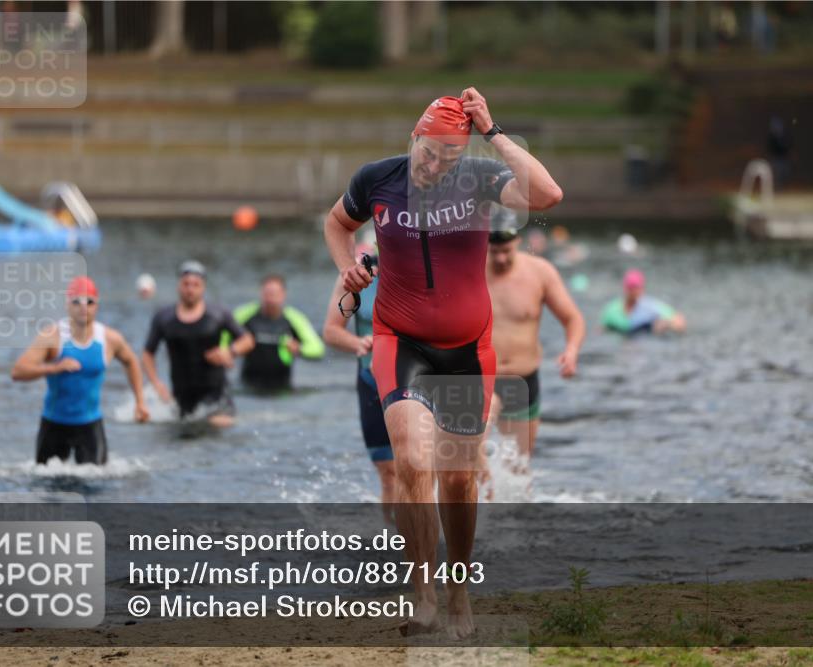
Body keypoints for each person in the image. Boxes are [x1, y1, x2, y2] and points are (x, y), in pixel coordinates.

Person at [324, 89, 563, 638]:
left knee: (457, 480)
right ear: (415, 136)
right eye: (429, 152)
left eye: (447, 157)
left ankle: (459, 595)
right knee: (410, 460)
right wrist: (349, 268)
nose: (434, 165)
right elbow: (337, 225)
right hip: (399, 340)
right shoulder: (376, 179)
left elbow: (548, 194)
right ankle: (423, 596)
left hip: (465, 352)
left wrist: (492, 131)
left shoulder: (478, 177)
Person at [11, 276, 149, 464]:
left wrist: (140, 401)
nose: (83, 306)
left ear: (96, 306)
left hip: (90, 425)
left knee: (96, 484)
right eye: (77, 301)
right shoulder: (52, 336)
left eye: (89, 302)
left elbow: (131, 361)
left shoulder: (109, 339)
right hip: (54, 423)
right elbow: (18, 371)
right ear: (68, 305)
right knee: (46, 485)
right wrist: (54, 367)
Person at [485, 224, 585, 473]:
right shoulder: (468, 271)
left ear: (518, 240)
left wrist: (571, 350)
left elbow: (573, 318)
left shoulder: (540, 272)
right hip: (480, 378)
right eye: (493, 251)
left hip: (524, 380)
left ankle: (510, 509)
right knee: (470, 460)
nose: (500, 258)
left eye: (506, 251)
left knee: (517, 471)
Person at [323, 242, 397, 522]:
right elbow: (331, 331)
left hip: (412, 380)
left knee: (416, 469)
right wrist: (358, 341)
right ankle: (393, 540)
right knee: (389, 473)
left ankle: (424, 538)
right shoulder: (357, 277)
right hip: (371, 381)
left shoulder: (420, 271)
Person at [141, 261, 254, 427]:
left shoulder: (218, 314)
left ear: (203, 287)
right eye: (186, 284)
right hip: (182, 396)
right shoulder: (164, 318)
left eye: (196, 284)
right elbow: (147, 354)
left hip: (216, 394)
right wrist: (156, 383)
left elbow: (248, 340)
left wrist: (229, 352)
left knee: (216, 427)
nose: (190, 289)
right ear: (179, 286)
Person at [225, 274, 324, 392]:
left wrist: (299, 349)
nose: (270, 298)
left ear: (283, 295)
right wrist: (230, 351)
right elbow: (221, 338)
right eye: (267, 293)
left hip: (282, 387)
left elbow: (318, 349)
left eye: (274, 294)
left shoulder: (294, 318)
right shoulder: (244, 315)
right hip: (248, 387)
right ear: (261, 293)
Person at [602, 269, 686, 336]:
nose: (633, 292)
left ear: (642, 289)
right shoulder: (612, 309)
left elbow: (679, 321)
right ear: (625, 288)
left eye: (636, 288)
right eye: (631, 288)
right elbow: (602, 330)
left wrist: (666, 325)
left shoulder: (651, 307)